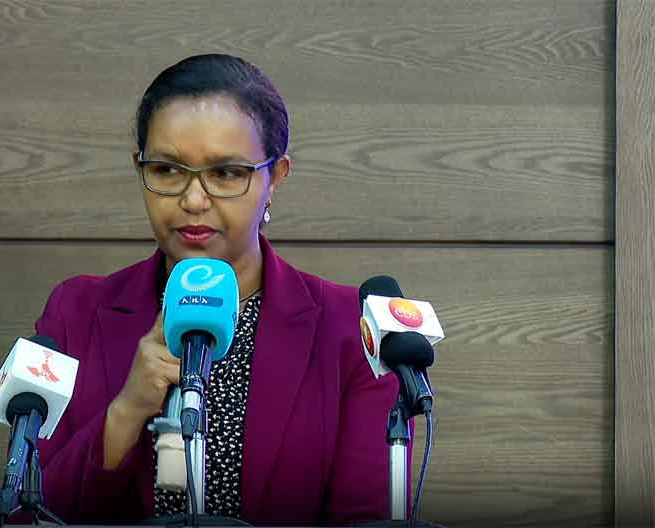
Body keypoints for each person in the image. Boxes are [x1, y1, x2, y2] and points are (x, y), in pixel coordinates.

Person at [33, 54, 401, 525]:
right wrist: (126, 411)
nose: (192, 200)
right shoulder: (76, 312)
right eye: (167, 170)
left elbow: (365, 516)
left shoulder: (351, 329)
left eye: (226, 173)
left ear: (275, 177)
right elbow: (29, 511)